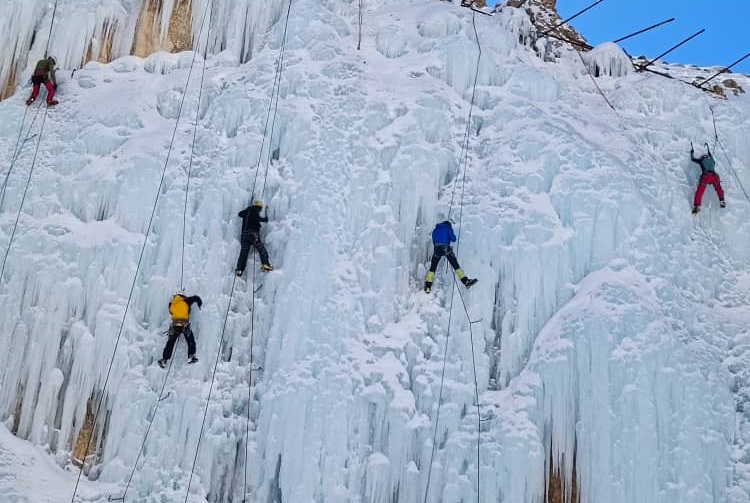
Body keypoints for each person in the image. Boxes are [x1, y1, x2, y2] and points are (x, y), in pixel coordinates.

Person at [424, 219, 477, 293]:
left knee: (433, 268)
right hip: (445, 248)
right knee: (455, 265)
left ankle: (427, 286)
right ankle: (466, 282)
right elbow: (453, 239)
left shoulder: (435, 230)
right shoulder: (448, 227)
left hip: (436, 249)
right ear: (449, 224)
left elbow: (434, 241)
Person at [158, 293, 203, 368]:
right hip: (184, 325)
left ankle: (164, 360)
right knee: (190, 341)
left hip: (175, 326)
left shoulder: (171, 305)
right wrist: (199, 304)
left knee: (170, 343)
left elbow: (171, 312)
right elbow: (196, 298)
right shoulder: (186, 301)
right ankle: (191, 356)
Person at [236, 200, 273, 276]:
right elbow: (263, 220)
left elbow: (240, 214)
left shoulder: (248, 211)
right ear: (258, 208)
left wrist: (247, 211)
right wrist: (266, 215)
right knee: (260, 248)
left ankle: (239, 269)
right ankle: (265, 264)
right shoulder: (255, 212)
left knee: (244, 253)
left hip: (244, 236)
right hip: (253, 235)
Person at [691, 145, 725, 214]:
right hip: (714, 177)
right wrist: (709, 153)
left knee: (700, 191)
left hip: (706, 177)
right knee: (718, 188)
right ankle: (722, 200)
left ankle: (697, 206)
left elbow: (693, 159)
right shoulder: (712, 160)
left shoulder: (701, 160)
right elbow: (712, 159)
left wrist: (692, 152)